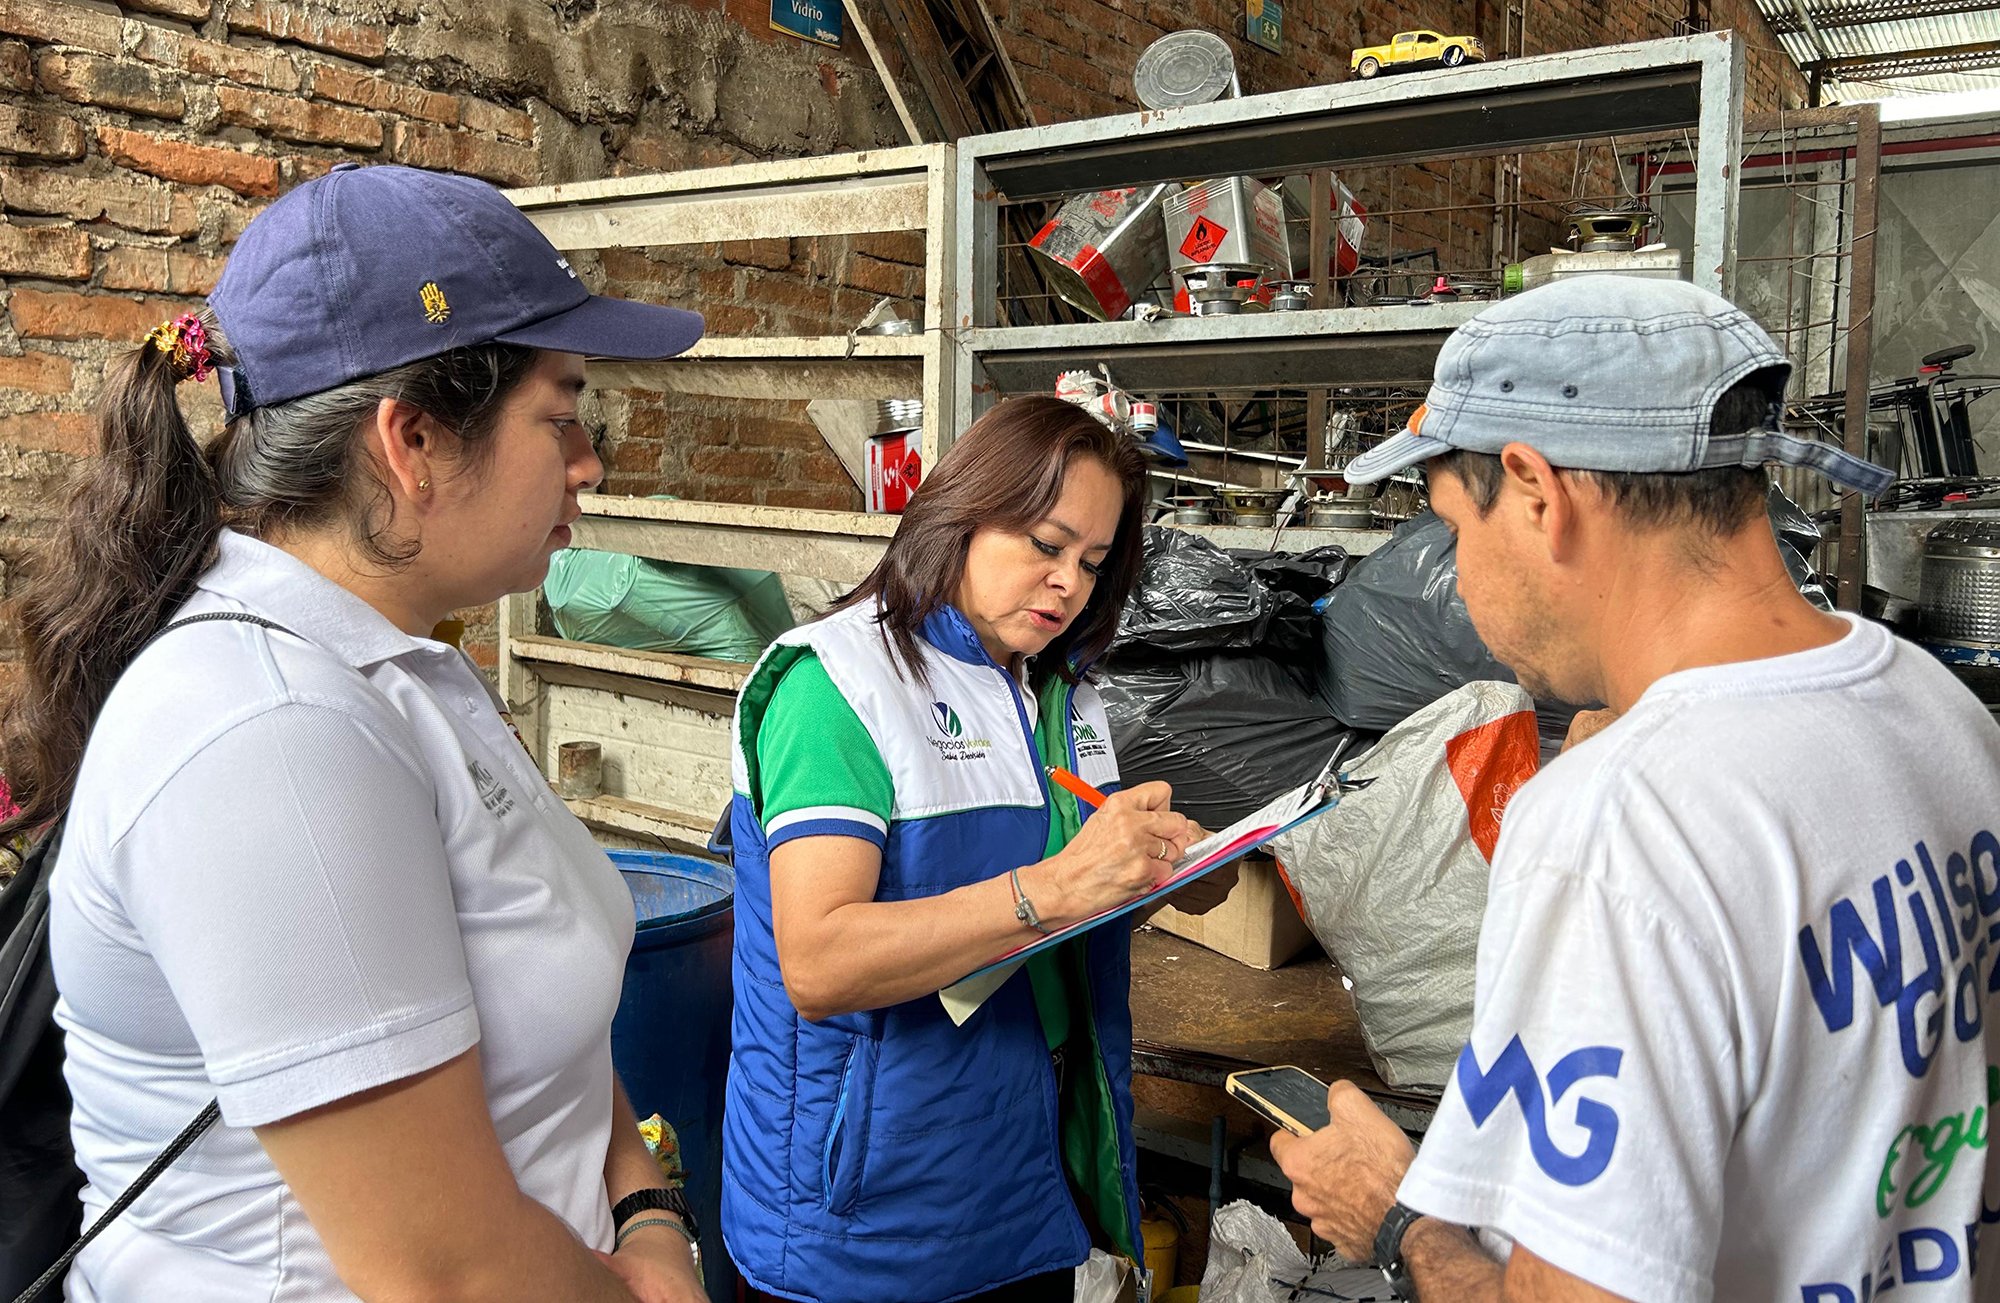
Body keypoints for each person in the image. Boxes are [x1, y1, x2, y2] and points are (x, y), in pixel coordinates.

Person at [9, 164, 713, 1301]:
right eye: (564, 415)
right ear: (414, 440)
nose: (587, 464)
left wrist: (645, 1209)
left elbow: (556, 1039)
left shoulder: (407, 665)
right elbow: (446, 1273)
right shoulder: (265, 727)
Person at [1270, 275, 2000, 1303]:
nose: (1462, 578)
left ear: (1534, 489)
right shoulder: (1936, 708)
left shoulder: (1618, 827)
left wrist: (1399, 1224)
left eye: (1451, 528)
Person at [721, 395, 1227, 1303]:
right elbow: (819, 961)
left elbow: (1064, 903)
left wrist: (1155, 874)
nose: (1068, 583)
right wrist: (1056, 884)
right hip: (865, 1224)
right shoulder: (838, 686)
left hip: (1016, 1186)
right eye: (1045, 542)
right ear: (961, 511)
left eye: (1093, 562)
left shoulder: (1057, 693)